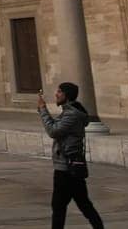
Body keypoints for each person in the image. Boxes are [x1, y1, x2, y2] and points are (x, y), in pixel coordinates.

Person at [38, 81, 104, 228]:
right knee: (82, 204)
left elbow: (53, 131)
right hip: (70, 165)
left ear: (67, 95)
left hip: (66, 167)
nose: (56, 94)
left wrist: (43, 110)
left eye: (60, 92)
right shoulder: (70, 112)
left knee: (59, 206)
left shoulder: (72, 114)